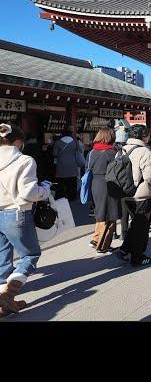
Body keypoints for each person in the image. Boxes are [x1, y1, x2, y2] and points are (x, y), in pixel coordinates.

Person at [0, 123, 52, 316]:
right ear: (18, 141)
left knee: (2, 256)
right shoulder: (24, 160)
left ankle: (2, 299)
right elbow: (28, 192)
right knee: (30, 255)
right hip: (15, 212)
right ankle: (9, 294)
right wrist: (45, 190)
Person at [113, 125, 151, 266]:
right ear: (144, 136)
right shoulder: (144, 151)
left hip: (125, 193)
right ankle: (137, 257)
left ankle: (124, 249)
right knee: (142, 226)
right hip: (141, 194)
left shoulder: (121, 150)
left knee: (134, 224)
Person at [87, 128, 120, 254]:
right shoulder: (112, 153)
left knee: (100, 212)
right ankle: (103, 245)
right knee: (110, 215)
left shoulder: (92, 152)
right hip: (108, 184)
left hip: (95, 183)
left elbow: (87, 168)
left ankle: (96, 239)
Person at [52, 126, 85, 201]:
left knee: (61, 183)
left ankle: (61, 197)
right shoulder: (75, 141)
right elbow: (80, 151)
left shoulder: (58, 142)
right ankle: (72, 197)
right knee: (72, 183)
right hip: (73, 166)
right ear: (71, 133)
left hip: (61, 166)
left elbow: (55, 154)